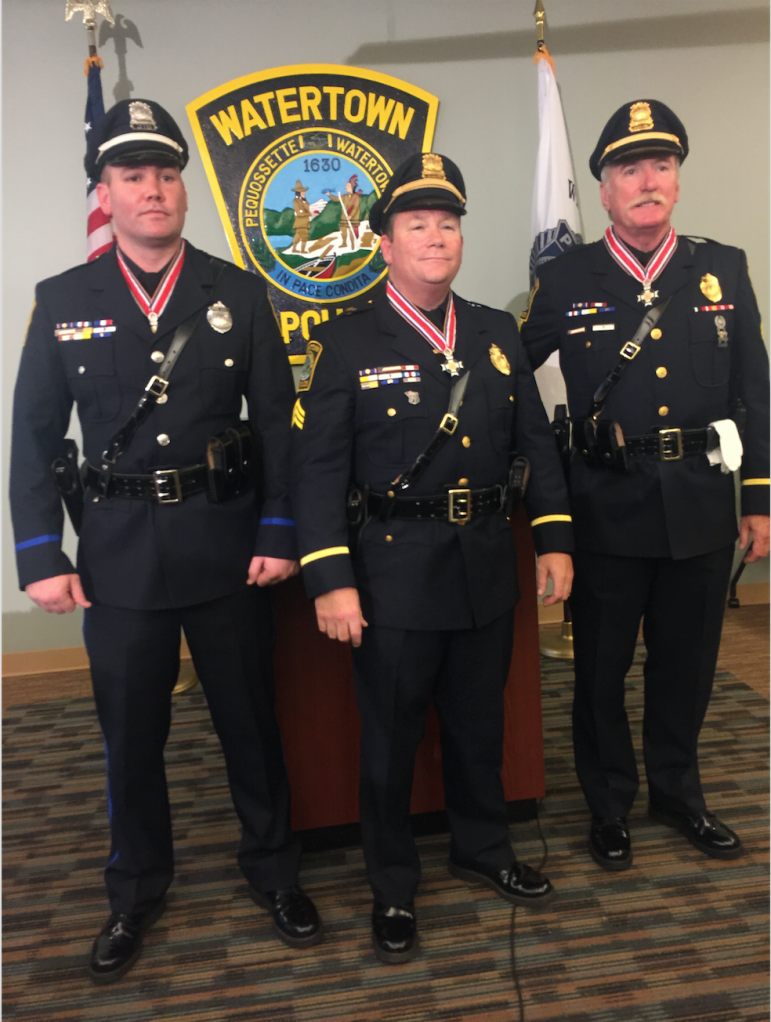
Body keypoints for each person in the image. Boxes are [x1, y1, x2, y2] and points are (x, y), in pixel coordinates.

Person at [9, 98, 322, 984]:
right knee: (129, 738)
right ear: (103, 192)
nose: (154, 190)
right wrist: (40, 551)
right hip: (114, 555)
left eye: (166, 173)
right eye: (133, 175)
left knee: (250, 728)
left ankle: (274, 871)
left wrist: (277, 528)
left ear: (183, 188)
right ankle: (135, 889)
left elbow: (280, 426)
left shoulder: (237, 292)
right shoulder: (64, 300)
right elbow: (34, 436)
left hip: (228, 547)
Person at [290, 152, 573, 963]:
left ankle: (482, 847)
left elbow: (534, 446)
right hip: (391, 575)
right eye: (416, 224)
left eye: (446, 223)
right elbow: (317, 474)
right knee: (387, 740)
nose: (435, 237)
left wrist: (552, 537)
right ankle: (391, 887)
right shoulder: (344, 342)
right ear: (383, 243)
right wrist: (331, 580)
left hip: (484, 564)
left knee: (479, 726)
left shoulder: (493, 331)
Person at [519, 99, 769, 872]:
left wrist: (757, 495)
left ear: (676, 181)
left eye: (660, 165)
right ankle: (607, 804)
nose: (647, 180)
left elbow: (751, 389)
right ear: (602, 190)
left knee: (687, 662)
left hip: (698, 502)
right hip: (604, 505)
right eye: (629, 168)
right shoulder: (564, 277)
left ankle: (678, 791)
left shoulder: (720, 265)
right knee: (599, 669)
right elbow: (509, 375)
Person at [290, 181, 312, 254]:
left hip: (304, 222)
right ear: (299, 193)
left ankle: (294, 249)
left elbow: (306, 209)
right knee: (305, 235)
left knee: (297, 235)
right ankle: (302, 250)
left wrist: (306, 210)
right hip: (300, 223)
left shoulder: (304, 201)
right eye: (302, 192)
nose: (304, 194)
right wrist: (308, 214)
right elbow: (299, 212)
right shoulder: (295, 201)